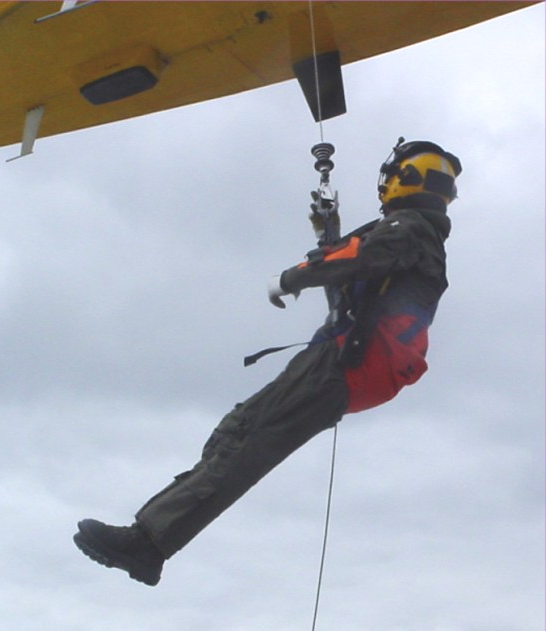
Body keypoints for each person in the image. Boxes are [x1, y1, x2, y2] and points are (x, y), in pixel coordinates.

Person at [73, 139, 462, 586]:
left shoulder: (408, 229)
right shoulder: (415, 235)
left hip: (342, 364)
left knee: (249, 440)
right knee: (237, 431)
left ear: (404, 179)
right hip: (347, 365)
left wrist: (293, 276)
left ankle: (149, 544)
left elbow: (359, 259)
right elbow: (351, 289)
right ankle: (154, 535)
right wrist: (327, 236)